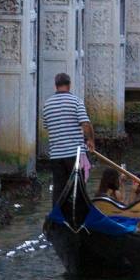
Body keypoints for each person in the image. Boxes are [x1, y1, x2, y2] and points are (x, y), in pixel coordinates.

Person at [43, 71, 94, 210]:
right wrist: (90, 141)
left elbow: (47, 126)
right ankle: (79, 215)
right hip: (74, 153)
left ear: (56, 86)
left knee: (59, 188)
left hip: (56, 155)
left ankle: (58, 218)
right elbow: (85, 124)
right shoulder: (76, 101)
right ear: (69, 85)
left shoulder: (47, 105)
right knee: (78, 188)